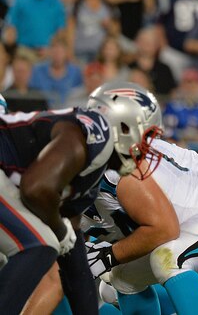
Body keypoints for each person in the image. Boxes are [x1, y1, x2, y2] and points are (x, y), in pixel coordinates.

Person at [81, 109, 198, 315]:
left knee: (168, 259)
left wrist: (108, 256)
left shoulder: (118, 172)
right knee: (122, 278)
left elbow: (163, 230)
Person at [0, 80, 161, 314]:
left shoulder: (90, 175)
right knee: (41, 243)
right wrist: (59, 228)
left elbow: (76, 269)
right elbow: (35, 189)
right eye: (145, 137)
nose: (145, 148)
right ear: (123, 124)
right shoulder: (95, 132)